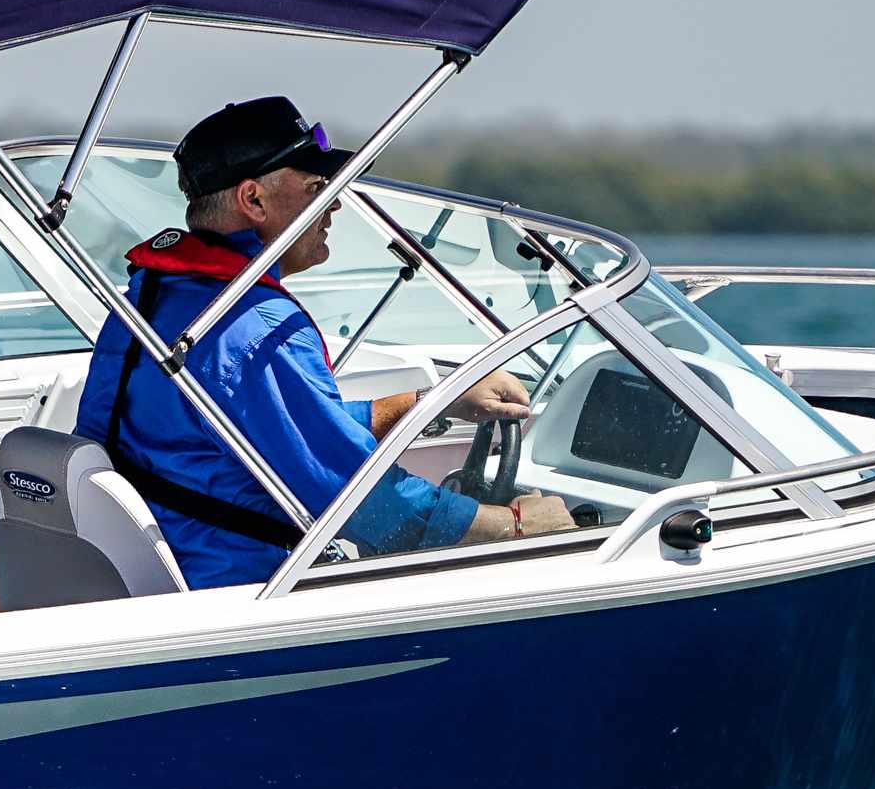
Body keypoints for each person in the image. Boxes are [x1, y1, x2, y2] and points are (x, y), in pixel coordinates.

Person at [75, 95, 576, 587]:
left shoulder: (152, 300)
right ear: (253, 200)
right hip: (238, 592)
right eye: (317, 186)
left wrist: (427, 403)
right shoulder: (260, 331)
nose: (334, 202)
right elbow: (364, 506)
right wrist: (513, 527)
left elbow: (273, 429)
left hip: (163, 571)